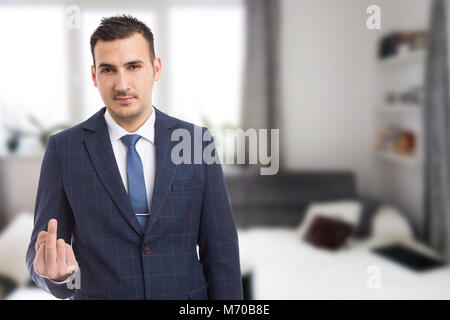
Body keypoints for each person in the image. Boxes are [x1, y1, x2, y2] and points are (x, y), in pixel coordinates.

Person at [25, 15, 243, 300]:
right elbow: (42, 254)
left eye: (133, 66)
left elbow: (222, 253)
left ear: (156, 68)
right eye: (108, 70)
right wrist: (55, 277)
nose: (122, 84)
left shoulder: (196, 142)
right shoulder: (64, 149)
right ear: (94, 76)